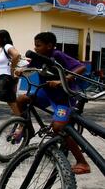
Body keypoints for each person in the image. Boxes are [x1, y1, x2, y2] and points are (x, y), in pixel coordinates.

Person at [15, 32, 89, 175]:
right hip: (46, 93)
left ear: (49, 46)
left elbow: (81, 67)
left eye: (38, 45)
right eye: (35, 45)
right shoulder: (38, 57)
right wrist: (21, 71)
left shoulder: (58, 55)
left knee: (58, 127)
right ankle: (28, 129)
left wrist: (64, 80)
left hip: (63, 98)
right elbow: (30, 69)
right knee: (21, 100)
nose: (35, 48)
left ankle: (82, 162)